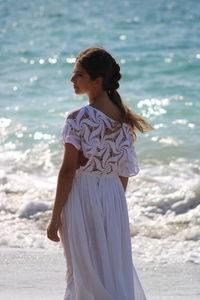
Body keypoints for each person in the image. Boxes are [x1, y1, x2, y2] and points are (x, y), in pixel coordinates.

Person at [47, 46, 154, 300]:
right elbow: (124, 173)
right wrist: (112, 203)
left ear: (98, 80)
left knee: (83, 271)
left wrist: (54, 217)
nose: (72, 80)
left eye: (79, 75)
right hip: (114, 197)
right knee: (111, 269)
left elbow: (67, 171)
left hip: (82, 194)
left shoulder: (78, 118)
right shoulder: (124, 121)